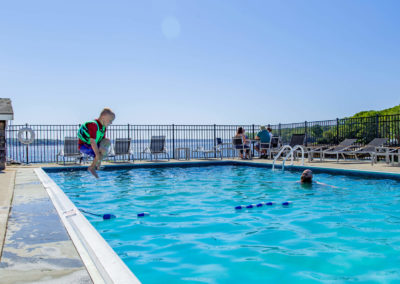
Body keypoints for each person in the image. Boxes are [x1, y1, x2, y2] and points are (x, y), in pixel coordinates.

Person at [78, 108, 115, 178]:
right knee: (101, 152)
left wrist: (102, 152)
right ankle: (92, 167)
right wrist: (98, 154)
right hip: (84, 146)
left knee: (107, 142)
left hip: (93, 145)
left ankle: (97, 164)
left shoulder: (103, 128)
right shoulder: (93, 125)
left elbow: (103, 141)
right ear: (103, 118)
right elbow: (92, 141)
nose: (111, 123)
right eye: (110, 120)